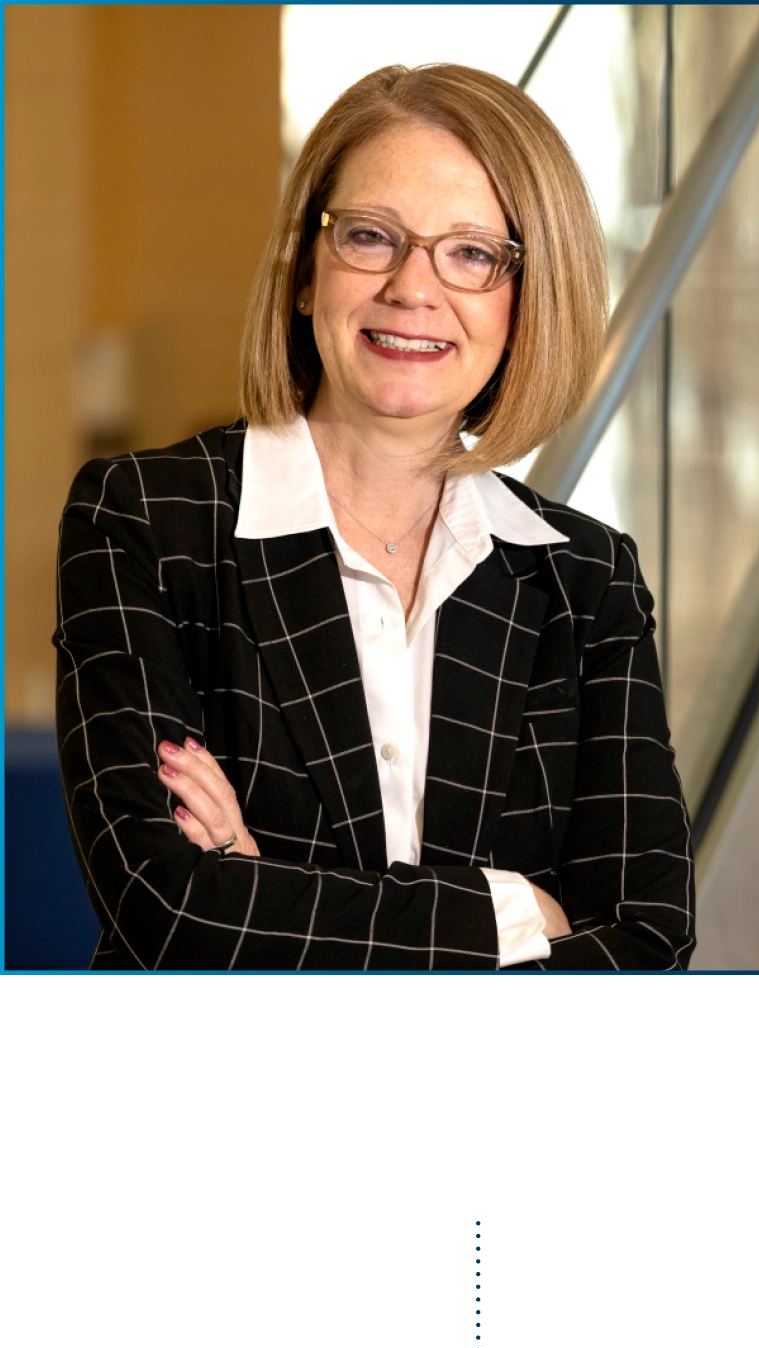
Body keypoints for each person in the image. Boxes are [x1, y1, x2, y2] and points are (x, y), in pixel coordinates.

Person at [54, 62, 695, 971]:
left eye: (472, 252)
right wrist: (519, 911)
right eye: (370, 236)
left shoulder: (586, 582)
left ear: (524, 302)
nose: (413, 287)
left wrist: (263, 875)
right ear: (306, 272)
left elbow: (649, 939)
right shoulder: (147, 523)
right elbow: (175, 910)